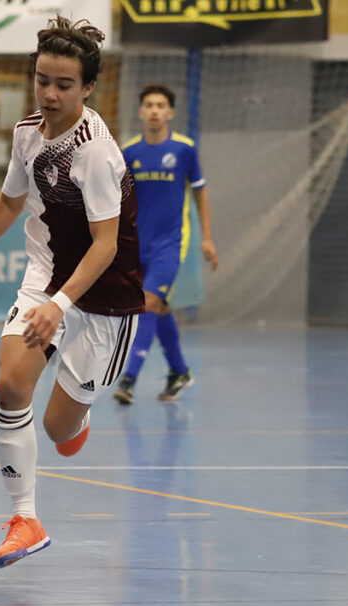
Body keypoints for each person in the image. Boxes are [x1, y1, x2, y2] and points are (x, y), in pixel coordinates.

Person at [0, 14, 143, 569]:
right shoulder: (27, 132)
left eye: (64, 85)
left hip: (103, 299)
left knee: (58, 429)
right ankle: (26, 519)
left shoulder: (96, 151)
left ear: (88, 88)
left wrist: (61, 306)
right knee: (10, 384)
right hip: (46, 276)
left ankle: (74, 420)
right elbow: (9, 202)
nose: (50, 94)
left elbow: (104, 246)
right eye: (42, 80)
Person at [113, 84, 218, 405]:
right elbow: (119, 200)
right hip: (136, 244)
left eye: (161, 105)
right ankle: (179, 371)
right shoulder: (129, 153)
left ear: (170, 113)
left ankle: (129, 378)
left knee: (147, 303)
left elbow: (200, 192)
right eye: (149, 105)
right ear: (141, 112)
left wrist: (208, 238)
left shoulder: (184, 150)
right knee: (156, 307)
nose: (155, 110)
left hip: (171, 245)